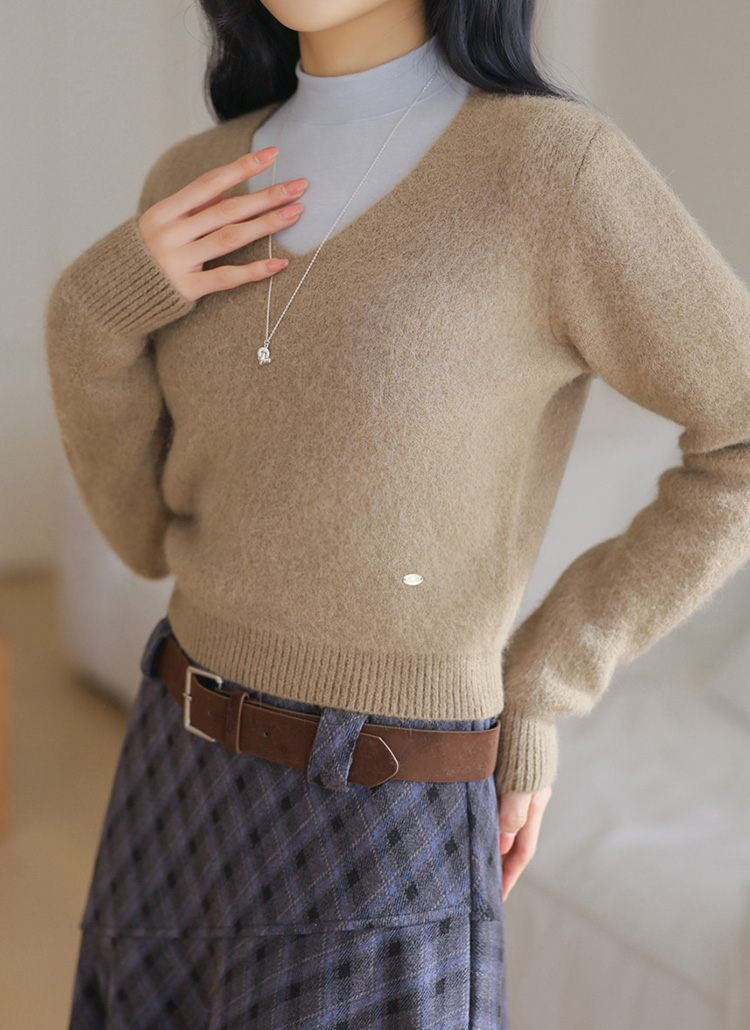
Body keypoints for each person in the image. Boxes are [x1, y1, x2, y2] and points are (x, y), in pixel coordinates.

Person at [44, 1, 750, 1027]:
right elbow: (144, 535)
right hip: (173, 756)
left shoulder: (554, 169)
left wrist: (544, 684)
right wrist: (92, 314)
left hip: (383, 797)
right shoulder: (194, 182)